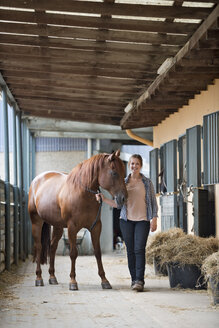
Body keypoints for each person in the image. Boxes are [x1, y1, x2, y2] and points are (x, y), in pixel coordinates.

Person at [96, 154, 158, 292]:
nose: (134, 166)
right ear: (129, 165)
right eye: (132, 163)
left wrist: (154, 218)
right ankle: (134, 280)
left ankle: (140, 280)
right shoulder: (124, 182)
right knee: (130, 251)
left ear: (140, 166)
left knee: (139, 249)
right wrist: (104, 199)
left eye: (137, 164)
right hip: (126, 221)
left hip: (142, 220)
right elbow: (118, 204)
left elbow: (153, 202)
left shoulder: (147, 183)